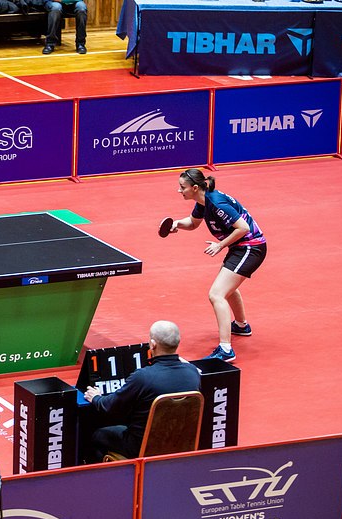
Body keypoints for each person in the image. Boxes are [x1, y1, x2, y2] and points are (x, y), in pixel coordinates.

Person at [166, 168, 267, 363]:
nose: (179, 190)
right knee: (227, 287)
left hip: (251, 247)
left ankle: (226, 349)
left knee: (216, 294)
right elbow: (193, 223)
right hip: (239, 247)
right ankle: (241, 325)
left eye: (182, 187)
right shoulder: (202, 201)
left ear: (195, 188)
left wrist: (220, 245)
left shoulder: (216, 203)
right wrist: (177, 224)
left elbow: (243, 228)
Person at [82, 321, 201, 463]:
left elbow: (109, 406)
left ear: (153, 344)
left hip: (140, 446)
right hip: (181, 444)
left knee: (98, 435)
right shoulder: (193, 373)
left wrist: (96, 397)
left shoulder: (143, 377)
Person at [22, 0, 87, 55]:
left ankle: (80, 43)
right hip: (53, 2)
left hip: (73, 1)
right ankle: (50, 43)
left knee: (81, 8)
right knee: (55, 8)